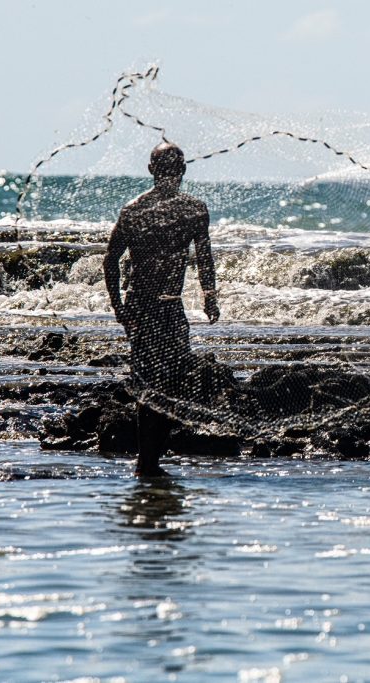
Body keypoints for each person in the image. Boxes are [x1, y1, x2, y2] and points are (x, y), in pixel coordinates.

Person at [104, 142, 220, 477]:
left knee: (157, 384)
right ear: (182, 170)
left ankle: (149, 462)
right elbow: (205, 260)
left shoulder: (135, 209)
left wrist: (118, 307)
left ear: (151, 169)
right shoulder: (193, 209)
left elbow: (110, 260)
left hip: (147, 307)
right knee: (162, 384)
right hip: (159, 309)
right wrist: (210, 296)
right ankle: (147, 464)